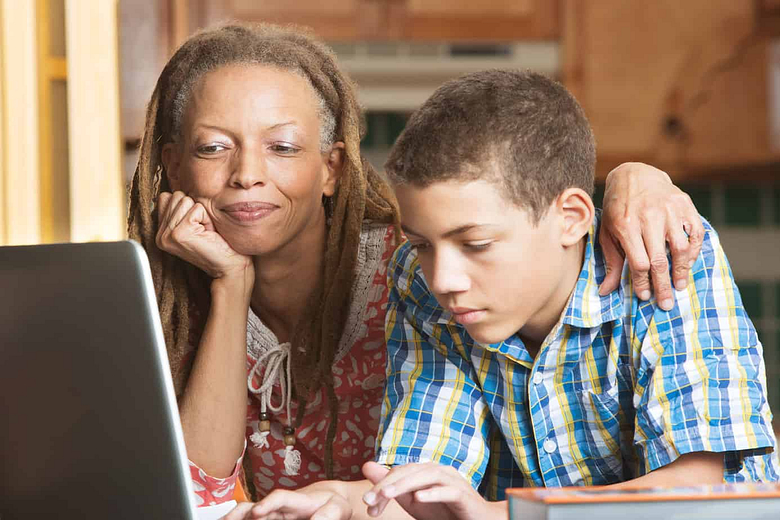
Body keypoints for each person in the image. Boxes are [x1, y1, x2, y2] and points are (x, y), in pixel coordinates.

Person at [126, 22, 706, 509]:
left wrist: (638, 175)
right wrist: (231, 285)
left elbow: (705, 492)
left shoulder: (418, 271)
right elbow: (202, 499)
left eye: (282, 146)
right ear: (174, 167)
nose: (247, 173)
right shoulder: (166, 296)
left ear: (332, 167)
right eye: (212, 147)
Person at [229, 70, 777, 520]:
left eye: (476, 243)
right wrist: (345, 502)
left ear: (570, 220)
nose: (444, 278)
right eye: (422, 244)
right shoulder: (419, 285)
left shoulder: (662, 253)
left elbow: (701, 492)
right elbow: (427, 488)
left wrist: (499, 516)